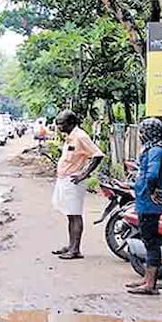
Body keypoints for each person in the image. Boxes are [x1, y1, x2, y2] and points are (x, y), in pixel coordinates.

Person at [51, 110, 104, 260]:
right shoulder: (70, 137)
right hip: (65, 179)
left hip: (73, 182)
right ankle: (71, 245)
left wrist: (84, 174)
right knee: (69, 214)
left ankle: (75, 249)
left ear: (72, 123)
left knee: (75, 215)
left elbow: (98, 155)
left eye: (62, 123)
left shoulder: (81, 136)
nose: (59, 126)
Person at [126, 118, 162, 295]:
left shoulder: (155, 151)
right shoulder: (157, 149)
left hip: (148, 203)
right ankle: (147, 278)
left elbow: (151, 175)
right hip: (145, 201)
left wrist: (151, 191)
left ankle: (150, 284)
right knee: (148, 240)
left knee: (151, 242)